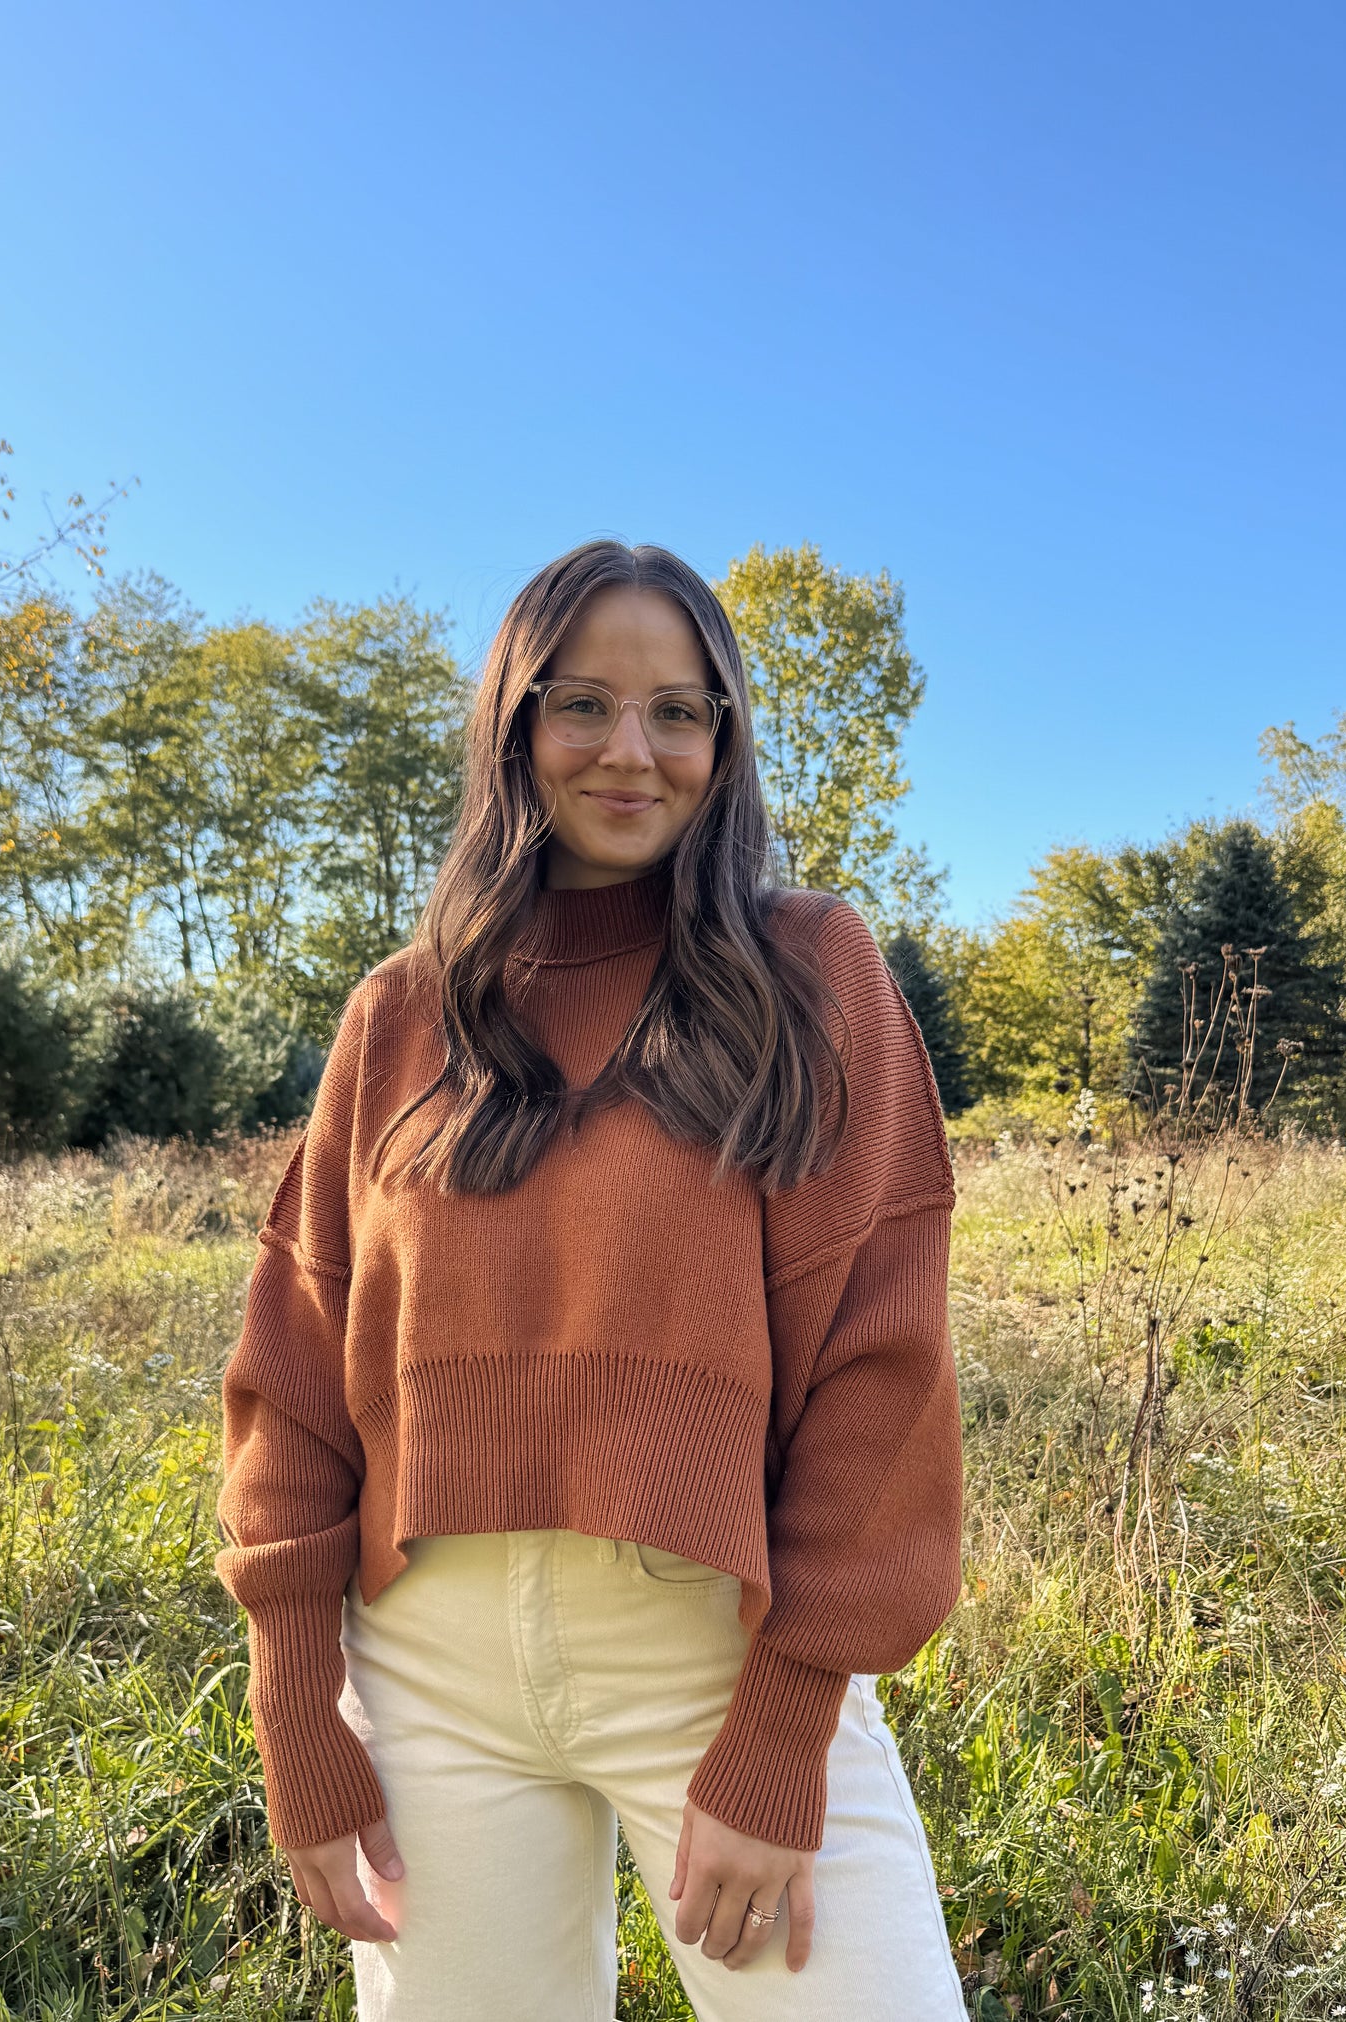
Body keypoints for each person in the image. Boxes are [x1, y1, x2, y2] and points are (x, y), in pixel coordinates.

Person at [214, 539, 967, 2020]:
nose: (633, 750)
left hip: (708, 1656)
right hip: (425, 1668)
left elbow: (882, 1358)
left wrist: (786, 1719)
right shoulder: (399, 1014)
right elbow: (295, 1362)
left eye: (680, 712)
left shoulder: (807, 970)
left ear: (725, 740)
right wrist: (298, 1691)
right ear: (512, 723)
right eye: (583, 703)